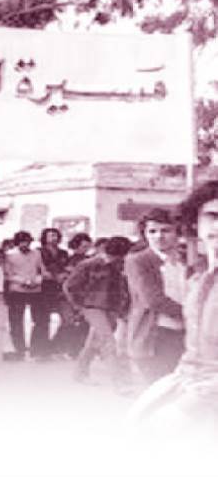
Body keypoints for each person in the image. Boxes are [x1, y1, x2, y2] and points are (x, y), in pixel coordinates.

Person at [128, 181, 218, 433]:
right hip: (160, 341)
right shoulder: (201, 277)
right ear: (195, 223)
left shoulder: (191, 264)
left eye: (165, 230)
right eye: (212, 216)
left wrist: (188, 406)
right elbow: (153, 300)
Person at [63, 236, 134, 394]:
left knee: (94, 343)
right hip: (92, 307)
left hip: (112, 308)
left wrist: (122, 309)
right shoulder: (88, 264)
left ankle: (80, 373)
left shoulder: (120, 265)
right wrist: (79, 306)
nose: (115, 260)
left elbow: (122, 288)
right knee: (109, 342)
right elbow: (69, 286)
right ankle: (120, 383)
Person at [125, 209, 187, 385]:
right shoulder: (138, 260)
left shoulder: (187, 260)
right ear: (144, 234)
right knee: (159, 389)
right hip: (155, 336)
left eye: (166, 230)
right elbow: (153, 300)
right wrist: (194, 315)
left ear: (177, 232)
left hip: (186, 335)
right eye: (152, 231)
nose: (159, 236)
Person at [3, 231, 45, 361]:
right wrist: (23, 281)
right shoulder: (10, 255)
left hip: (35, 290)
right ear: (17, 243)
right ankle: (19, 349)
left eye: (27, 241)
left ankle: (36, 348)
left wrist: (37, 280)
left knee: (38, 320)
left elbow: (41, 270)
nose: (25, 244)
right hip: (17, 290)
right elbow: (8, 274)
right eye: (22, 242)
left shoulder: (36, 253)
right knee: (16, 321)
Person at [39, 228, 70, 360]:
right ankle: (42, 350)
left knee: (67, 319)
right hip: (44, 289)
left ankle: (55, 346)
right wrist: (52, 275)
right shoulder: (39, 252)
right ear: (44, 238)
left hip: (60, 288)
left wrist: (64, 274)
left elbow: (67, 267)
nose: (54, 238)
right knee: (43, 320)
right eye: (51, 235)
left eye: (56, 235)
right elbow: (39, 269)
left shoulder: (63, 253)